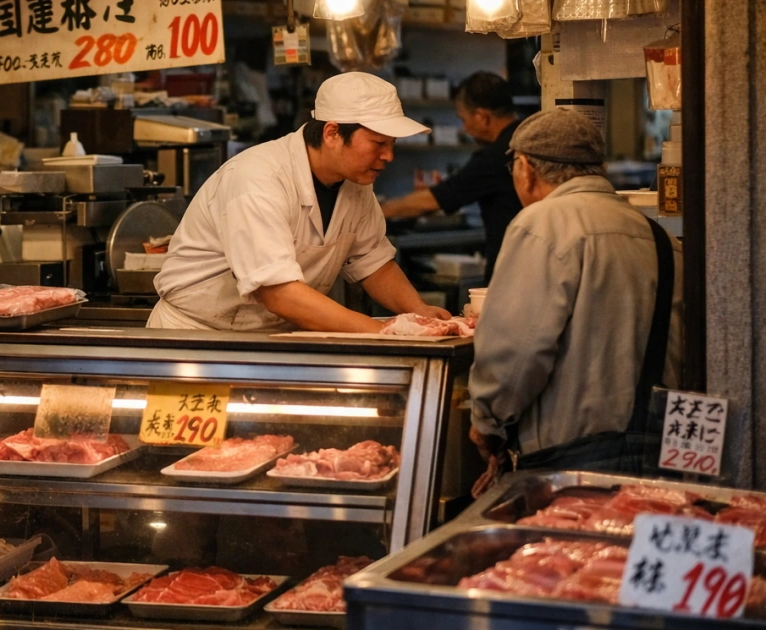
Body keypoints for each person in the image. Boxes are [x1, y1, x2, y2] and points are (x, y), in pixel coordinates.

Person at [468, 110, 684, 496]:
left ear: (525, 168)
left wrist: (487, 422)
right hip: (661, 453)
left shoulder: (542, 224)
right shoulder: (659, 237)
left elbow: (517, 351)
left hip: (571, 460)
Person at [149, 72, 451, 332]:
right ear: (333, 132)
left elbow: (371, 262)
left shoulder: (355, 183)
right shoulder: (259, 180)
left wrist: (417, 310)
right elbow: (278, 292)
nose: (388, 156)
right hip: (195, 336)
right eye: (379, 143)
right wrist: (380, 330)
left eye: (392, 144)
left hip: (273, 337)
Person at [380, 72, 524, 283]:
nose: (464, 128)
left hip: (511, 267)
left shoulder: (495, 156)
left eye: (463, 119)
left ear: (482, 116)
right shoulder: (526, 137)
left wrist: (377, 211)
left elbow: (435, 199)